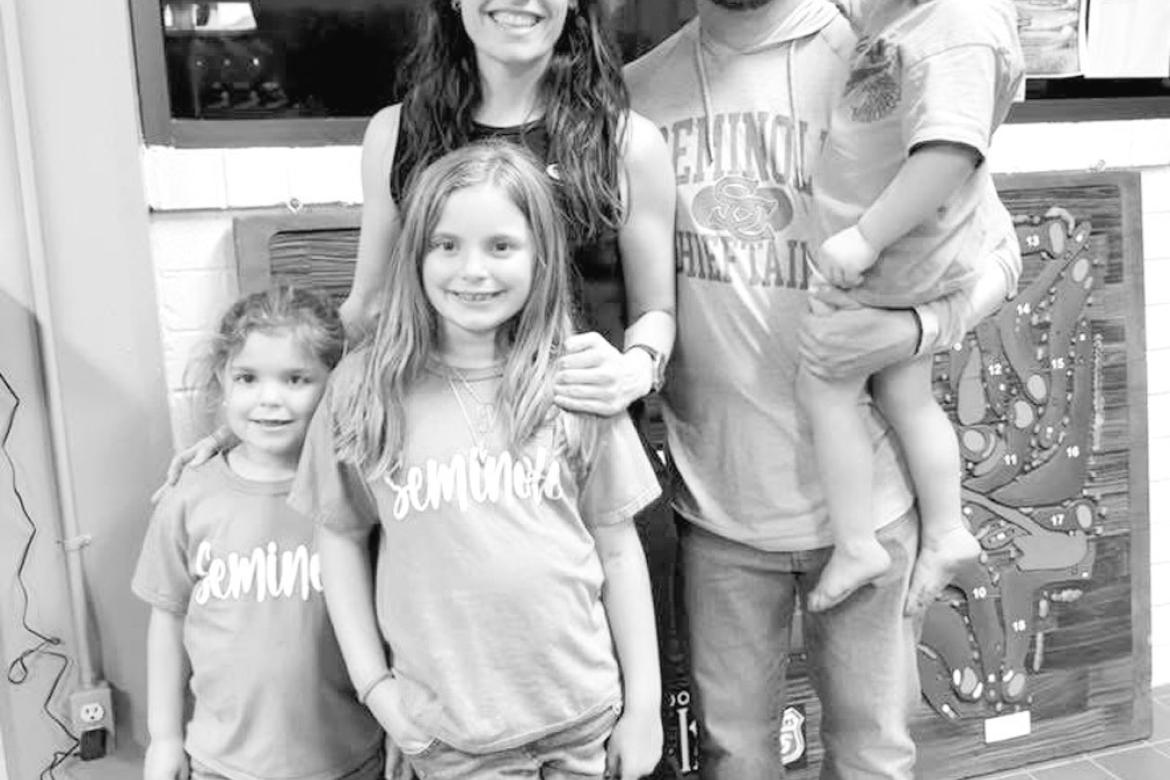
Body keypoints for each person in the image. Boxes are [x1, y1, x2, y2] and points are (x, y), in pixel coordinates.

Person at [624, 0, 1020, 777]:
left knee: (873, 758)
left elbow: (995, 253)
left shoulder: (879, 48)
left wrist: (915, 331)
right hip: (719, 513)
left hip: (872, 503)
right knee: (734, 757)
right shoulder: (640, 91)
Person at [290, 142, 664, 780]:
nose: (473, 271)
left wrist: (646, 708)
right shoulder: (364, 389)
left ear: (539, 257)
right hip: (451, 737)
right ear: (415, 255)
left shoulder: (577, 379)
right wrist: (376, 689)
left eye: (500, 246)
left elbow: (620, 551)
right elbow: (339, 537)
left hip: (583, 719)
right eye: (446, 245)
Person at [342, 0, 675, 417]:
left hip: (586, 436)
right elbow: (370, 307)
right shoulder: (396, 134)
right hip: (444, 445)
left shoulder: (629, 142)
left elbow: (655, 311)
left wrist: (637, 369)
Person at [799, 0, 1024, 613]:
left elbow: (950, 151)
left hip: (893, 255)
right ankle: (948, 529)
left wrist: (867, 236)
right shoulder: (906, 16)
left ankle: (855, 543)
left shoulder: (958, 25)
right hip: (898, 254)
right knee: (905, 395)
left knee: (825, 383)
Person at [133, 286, 383, 780]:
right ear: (223, 382)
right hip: (222, 763)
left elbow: (392, 619)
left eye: (296, 379)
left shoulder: (358, 491)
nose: (270, 399)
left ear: (334, 385)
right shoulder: (189, 496)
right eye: (248, 378)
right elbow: (167, 620)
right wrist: (164, 738)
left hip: (348, 759)